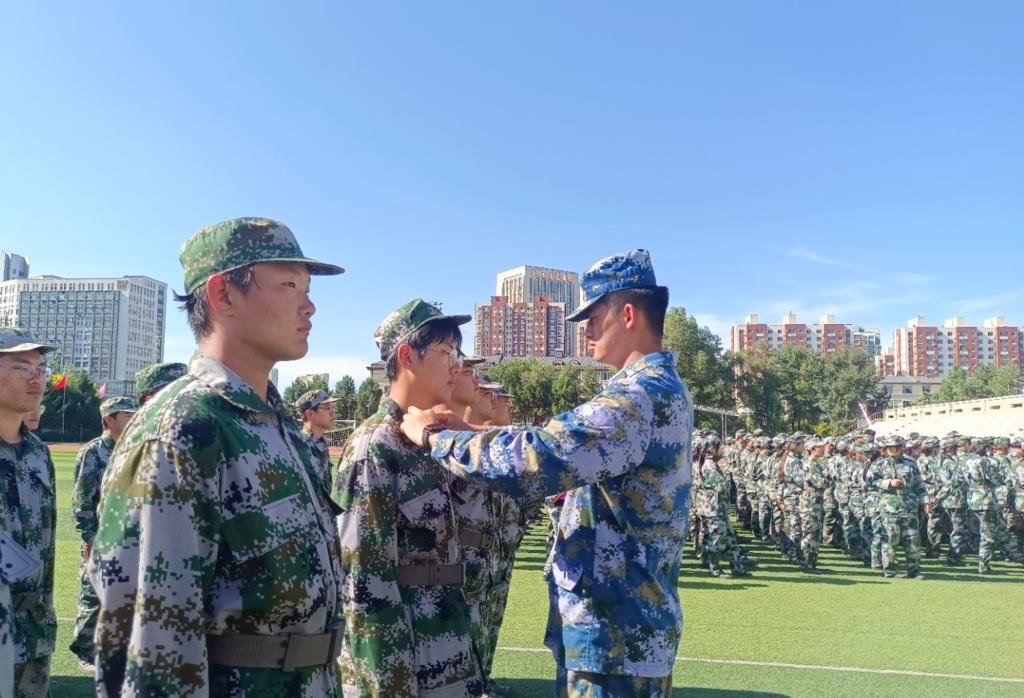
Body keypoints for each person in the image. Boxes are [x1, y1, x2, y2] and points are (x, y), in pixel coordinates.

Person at [402, 250, 692, 696]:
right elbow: (560, 441)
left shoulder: (637, 397)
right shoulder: (655, 390)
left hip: (615, 639)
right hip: (624, 631)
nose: (586, 329)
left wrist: (435, 439)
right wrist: (475, 432)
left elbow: (536, 460)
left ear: (628, 314)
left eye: (593, 316)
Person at [91, 217, 346, 696]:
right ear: (223, 294)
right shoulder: (182, 430)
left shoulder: (275, 424)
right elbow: (153, 647)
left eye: (307, 289)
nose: (309, 305)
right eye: (290, 285)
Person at [333, 299, 481, 697]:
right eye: (446, 352)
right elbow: (363, 582)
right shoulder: (376, 444)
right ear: (406, 356)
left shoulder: (433, 438)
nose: (456, 366)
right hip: (407, 659)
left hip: (448, 644)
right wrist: (389, 684)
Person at [0, 328, 57, 698]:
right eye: (22, 367)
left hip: (35, 631)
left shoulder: (38, 452)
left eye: (41, 368)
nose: (36, 377)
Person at [69, 396, 137, 671]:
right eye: (126, 415)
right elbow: (81, 500)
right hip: (100, 536)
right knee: (93, 594)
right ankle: (85, 650)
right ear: (109, 419)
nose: (133, 418)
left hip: (128, 537)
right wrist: (89, 538)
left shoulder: (132, 448)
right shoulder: (94, 452)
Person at [296, 389, 341, 494]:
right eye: (327, 408)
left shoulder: (321, 444)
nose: (333, 412)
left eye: (332, 407)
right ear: (309, 413)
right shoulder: (298, 446)